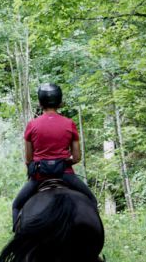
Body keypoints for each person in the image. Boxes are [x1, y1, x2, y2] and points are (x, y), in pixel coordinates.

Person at [12, 83, 100, 229]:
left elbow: (28, 159)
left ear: (40, 103)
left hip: (39, 176)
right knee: (91, 199)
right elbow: (77, 157)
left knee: (16, 205)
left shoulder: (32, 125)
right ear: (59, 102)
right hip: (65, 175)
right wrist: (64, 162)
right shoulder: (69, 124)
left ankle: (18, 245)